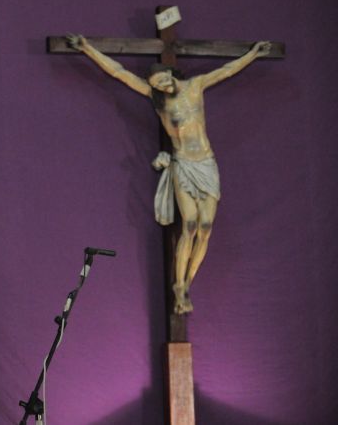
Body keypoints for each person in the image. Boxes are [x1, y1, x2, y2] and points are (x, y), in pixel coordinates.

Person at [66, 35, 272, 314]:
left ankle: (187, 281)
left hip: (206, 163)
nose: (161, 86)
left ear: (169, 72)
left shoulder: (196, 86)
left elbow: (226, 71)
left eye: (161, 80)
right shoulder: (156, 99)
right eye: (156, 85)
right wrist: (87, 48)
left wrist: (254, 54)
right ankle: (179, 286)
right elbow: (118, 72)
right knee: (189, 224)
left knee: (206, 228)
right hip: (184, 165)